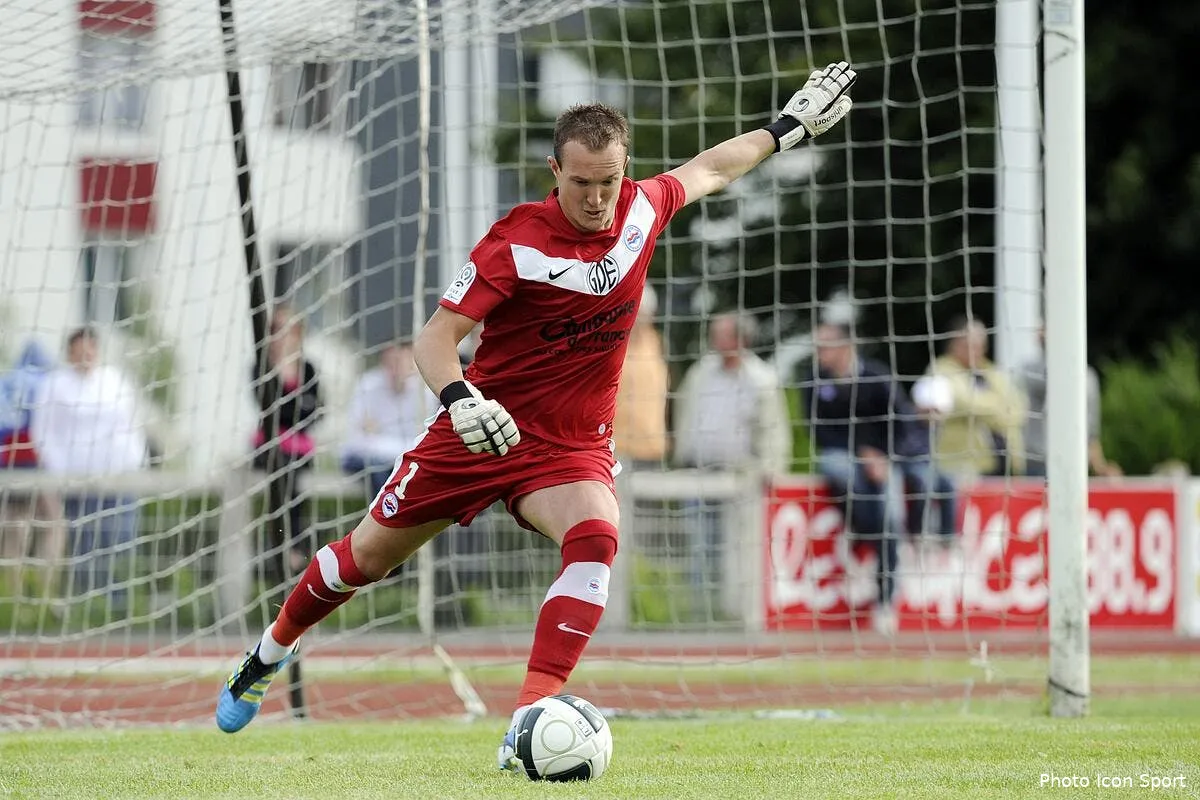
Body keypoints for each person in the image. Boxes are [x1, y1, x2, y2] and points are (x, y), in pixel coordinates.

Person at [214, 62, 858, 766]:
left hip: (570, 446)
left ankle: (528, 718)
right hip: (480, 430)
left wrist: (784, 128)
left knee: (596, 538)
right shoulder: (515, 241)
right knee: (362, 560)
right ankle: (267, 653)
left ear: (624, 170)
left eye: (607, 181)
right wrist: (460, 402)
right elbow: (435, 338)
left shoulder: (643, 208)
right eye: (579, 182)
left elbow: (710, 169)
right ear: (556, 170)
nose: (595, 197)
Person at [674, 312, 791, 616]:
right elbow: (683, 410)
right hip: (699, 471)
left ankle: (733, 612)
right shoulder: (702, 371)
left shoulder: (761, 378)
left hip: (740, 478)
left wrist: (770, 469)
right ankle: (697, 611)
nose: (714, 339)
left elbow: (775, 430)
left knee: (737, 547)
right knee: (698, 542)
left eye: (720, 333)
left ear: (740, 339)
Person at [800, 322, 908, 635]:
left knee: (892, 515)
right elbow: (818, 430)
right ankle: (867, 529)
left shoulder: (876, 376)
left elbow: (901, 424)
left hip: (881, 459)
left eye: (826, 345)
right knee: (834, 466)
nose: (819, 353)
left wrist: (882, 455)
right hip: (842, 455)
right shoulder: (812, 380)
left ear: (846, 346)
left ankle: (886, 599)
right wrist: (861, 454)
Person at [30, 328, 147, 612]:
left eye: (90, 349)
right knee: (84, 545)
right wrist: (61, 472)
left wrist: (133, 464)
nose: (86, 355)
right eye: (79, 350)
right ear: (70, 352)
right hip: (76, 483)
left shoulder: (114, 380)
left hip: (117, 480)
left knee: (118, 540)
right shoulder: (55, 385)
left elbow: (130, 425)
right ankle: (89, 607)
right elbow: (43, 431)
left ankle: (119, 607)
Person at [251, 306, 323, 576]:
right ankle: (282, 545)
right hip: (268, 444)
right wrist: (295, 403)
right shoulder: (260, 367)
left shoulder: (308, 368)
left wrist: (291, 407)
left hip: (299, 447)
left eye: (287, 329)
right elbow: (267, 409)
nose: (281, 336)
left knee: (294, 476)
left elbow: (314, 413)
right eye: (275, 330)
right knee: (280, 470)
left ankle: (292, 546)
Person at [927, 316, 1028, 480]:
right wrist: (997, 407)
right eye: (970, 345)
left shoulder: (992, 371)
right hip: (962, 467)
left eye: (980, 346)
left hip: (1007, 464)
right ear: (953, 344)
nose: (977, 351)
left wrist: (984, 408)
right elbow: (963, 403)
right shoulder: (940, 370)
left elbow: (1018, 408)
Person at [1019, 325, 1121, 478]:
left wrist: (1100, 466)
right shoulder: (1030, 371)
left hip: (1076, 460)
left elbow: (1091, 431)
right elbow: (1048, 381)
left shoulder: (1088, 377)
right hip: (1038, 461)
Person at [341, 341, 436, 501]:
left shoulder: (424, 392)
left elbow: (424, 441)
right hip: (366, 459)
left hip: (402, 459)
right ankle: (385, 518)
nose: (396, 367)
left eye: (401, 361)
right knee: (380, 470)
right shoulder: (367, 385)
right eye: (391, 361)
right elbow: (357, 439)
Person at [612, 284, 670, 471]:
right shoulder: (612, 343)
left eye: (646, 313)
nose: (642, 319)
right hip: (618, 448)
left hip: (652, 448)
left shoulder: (657, 342)